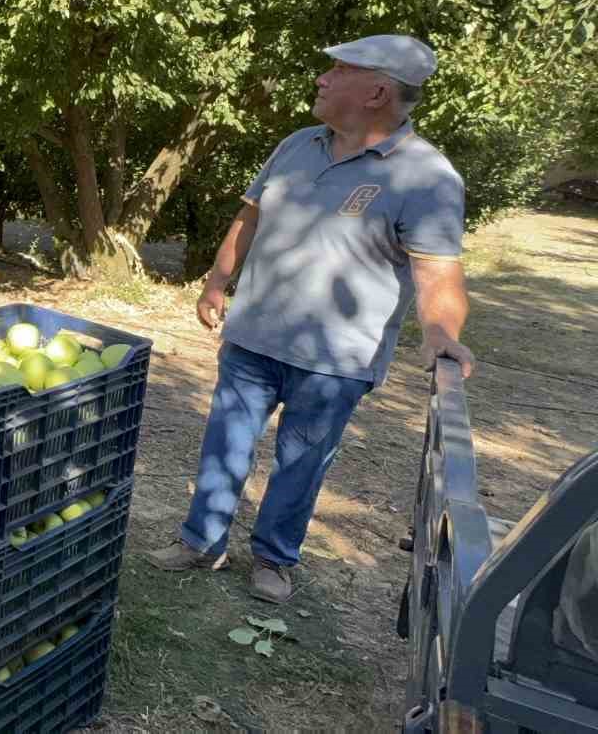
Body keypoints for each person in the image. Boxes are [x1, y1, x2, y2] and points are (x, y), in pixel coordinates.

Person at [147, 35, 476, 604]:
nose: (322, 79)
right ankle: (202, 541)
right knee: (224, 443)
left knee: (301, 462)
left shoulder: (428, 177)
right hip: (253, 337)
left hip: (336, 360)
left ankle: (274, 558)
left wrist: (442, 335)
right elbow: (249, 217)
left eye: (338, 70)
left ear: (376, 90)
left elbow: (438, 273)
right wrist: (217, 282)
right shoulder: (298, 144)